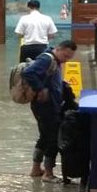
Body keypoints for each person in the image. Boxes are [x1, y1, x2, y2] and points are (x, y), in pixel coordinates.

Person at [23, 40, 77, 182]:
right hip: (46, 106)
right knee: (53, 138)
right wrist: (41, 89)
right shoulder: (47, 59)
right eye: (65, 56)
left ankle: (36, 169)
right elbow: (28, 72)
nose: (66, 61)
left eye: (69, 58)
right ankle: (48, 173)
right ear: (59, 49)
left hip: (49, 105)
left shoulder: (53, 60)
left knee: (44, 136)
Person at [14, 0, 58, 64]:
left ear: (28, 7)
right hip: (42, 48)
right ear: (39, 7)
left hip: (27, 48)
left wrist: (27, 36)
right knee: (42, 69)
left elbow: (19, 34)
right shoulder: (47, 18)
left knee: (25, 69)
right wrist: (44, 37)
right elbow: (52, 35)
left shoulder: (24, 18)